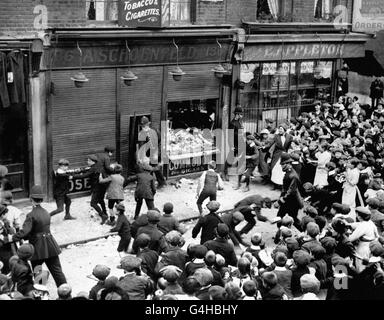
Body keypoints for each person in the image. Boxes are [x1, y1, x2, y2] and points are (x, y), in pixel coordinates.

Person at [12, 185, 67, 288]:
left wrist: (14, 237)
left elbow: (25, 231)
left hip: (37, 246)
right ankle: (65, 291)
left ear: (31, 199)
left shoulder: (31, 215)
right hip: (50, 244)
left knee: (38, 269)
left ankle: (42, 291)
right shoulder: (46, 212)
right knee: (57, 270)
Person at [76, 155, 108, 224]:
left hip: (97, 187)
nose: (87, 162)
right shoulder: (98, 165)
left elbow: (84, 175)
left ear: (92, 161)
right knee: (101, 200)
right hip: (103, 186)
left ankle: (103, 215)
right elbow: (88, 169)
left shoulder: (93, 168)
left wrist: (73, 176)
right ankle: (105, 213)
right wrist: (81, 170)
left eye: (88, 160)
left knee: (93, 203)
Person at [137, 116, 166, 189]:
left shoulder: (155, 130)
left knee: (153, 168)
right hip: (148, 154)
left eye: (145, 125)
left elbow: (160, 142)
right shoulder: (143, 133)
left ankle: (160, 182)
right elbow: (142, 146)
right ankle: (157, 182)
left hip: (154, 152)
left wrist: (158, 153)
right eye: (143, 126)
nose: (144, 127)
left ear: (148, 124)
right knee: (151, 169)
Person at [348, 206, 379, 272]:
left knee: (361, 268)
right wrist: (348, 224)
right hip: (370, 247)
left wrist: (348, 233)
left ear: (359, 216)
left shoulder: (363, 226)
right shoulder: (370, 222)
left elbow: (350, 239)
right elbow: (358, 224)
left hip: (362, 249)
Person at [277, 152, 303, 229]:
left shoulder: (292, 175)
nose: (281, 166)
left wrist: (281, 200)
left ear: (287, 164)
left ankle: (306, 233)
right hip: (288, 200)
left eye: (282, 164)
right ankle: (280, 235)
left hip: (292, 202)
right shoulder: (289, 172)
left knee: (293, 219)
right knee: (280, 217)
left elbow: (291, 190)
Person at [266, 124, 293, 188]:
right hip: (277, 154)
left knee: (282, 170)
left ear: (285, 130)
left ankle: (281, 184)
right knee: (275, 169)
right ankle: (274, 185)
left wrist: (289, 151)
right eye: (279, 129)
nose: (280, 130)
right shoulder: (276, 136)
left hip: (285, 154)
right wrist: (264, 147)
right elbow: (271, 143)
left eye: (281, 129)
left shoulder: (289, 136)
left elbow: (290, 145)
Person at [223, 105, 244, 181]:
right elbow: (229, 135)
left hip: (239, 143)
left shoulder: (239, 122)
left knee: (240, 158)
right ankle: (225, 173)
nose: (241, 116)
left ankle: (239, 172)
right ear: (237, 114)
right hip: (234, 144)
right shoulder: (232, 123)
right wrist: (231, 146)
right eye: (240, 114)